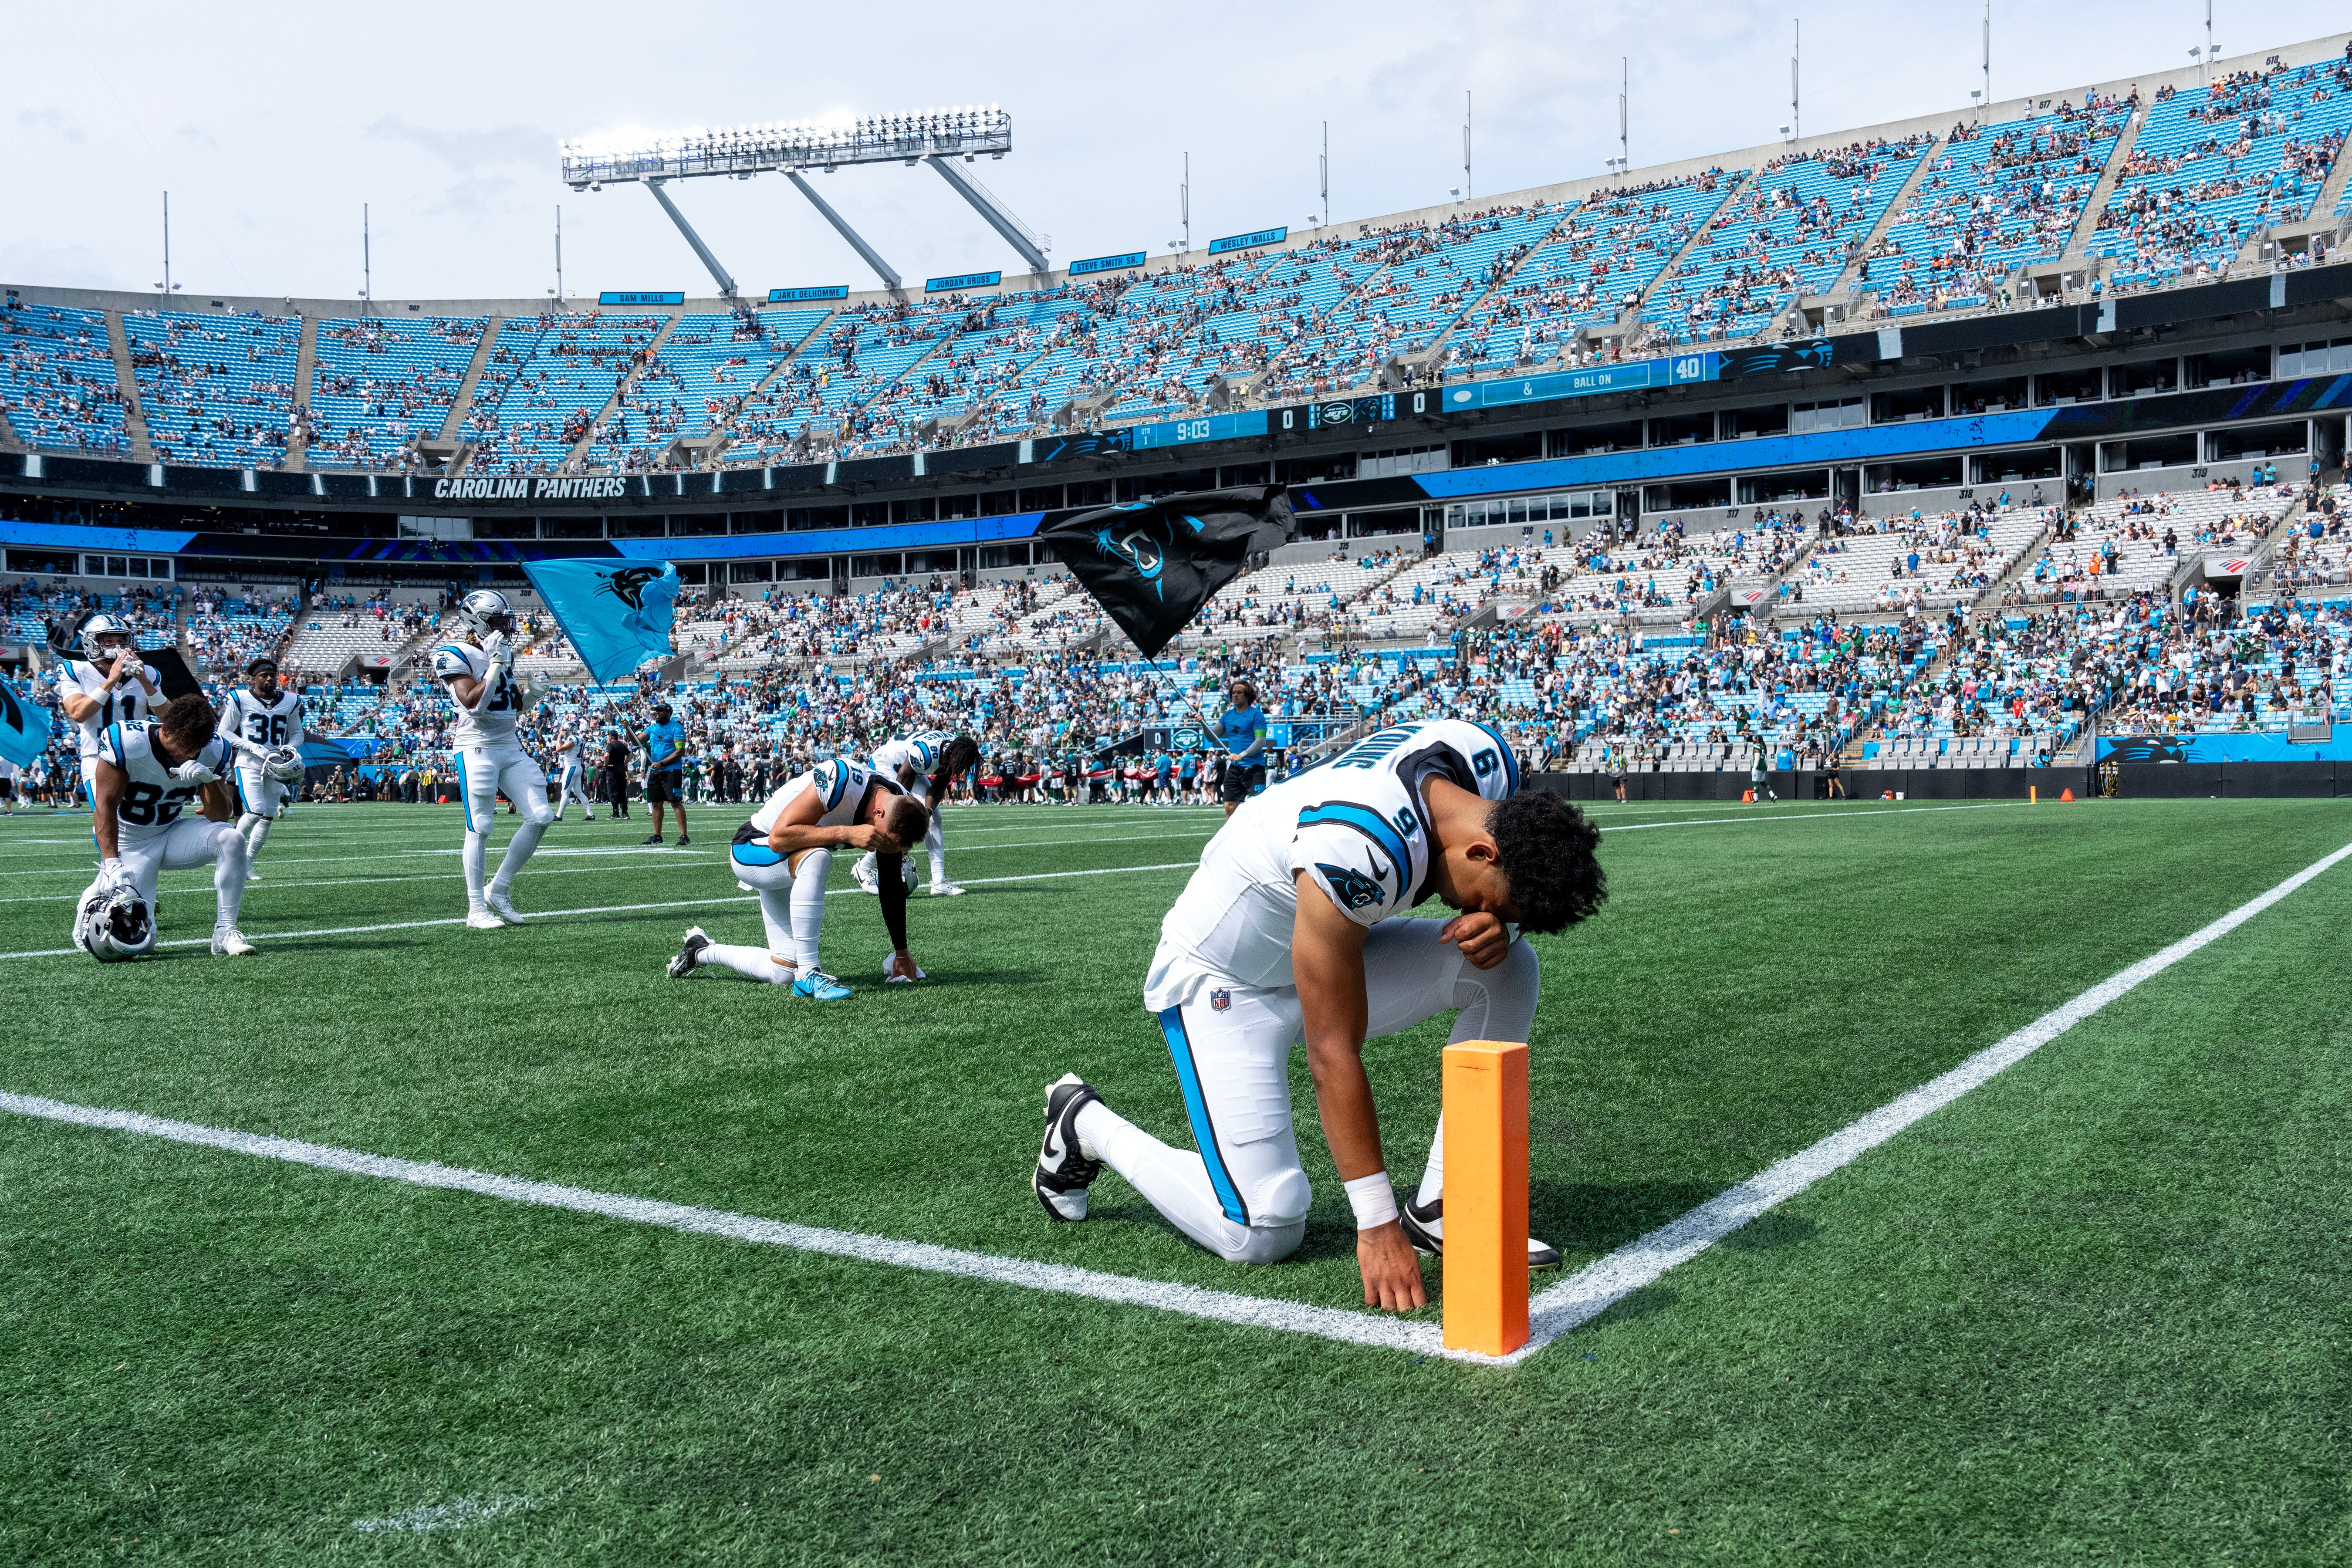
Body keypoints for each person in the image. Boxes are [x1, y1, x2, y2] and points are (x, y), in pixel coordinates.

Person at [1031, 719, 1606, 1310]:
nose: (1474, 912)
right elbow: (1333, 1052)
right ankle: (1085, 1124)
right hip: (1228, 983)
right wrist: (1376, 1223)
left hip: (1324, 945)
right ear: (1483, 850)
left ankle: (1444, 1205)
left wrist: (1507, 925)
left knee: (1510, 964)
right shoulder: (1359, 847)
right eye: (1483, 900)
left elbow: (1497, 887)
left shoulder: (1486, 761)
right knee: (1262, 1229)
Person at [665, 756, 929, 1000]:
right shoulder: (839, 778)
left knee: (782, 971)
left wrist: (902, 954)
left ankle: (700, 951)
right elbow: (779, 838)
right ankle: (809, 974)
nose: (879, 847)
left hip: (790, 862)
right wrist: (845, 833)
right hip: (755, 848)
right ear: (879, 813)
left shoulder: (899, 803)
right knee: (818, 855)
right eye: (883, 840)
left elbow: (891, 886)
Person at [74, 693, 254, 959]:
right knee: (141, 946)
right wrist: (112, 861)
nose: (191, 753)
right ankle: (98, 889)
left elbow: (219, 816)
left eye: (198, 746)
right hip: (131, 841)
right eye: (186, 744)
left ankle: (225, 932)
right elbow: (105, 806)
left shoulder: (214, 750)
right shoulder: (128, 742)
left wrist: (209, 779)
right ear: (167, 729)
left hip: (170, 831)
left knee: (232, 838)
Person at [432, 589, 552, 930]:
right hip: (476, 745)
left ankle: (497, 889)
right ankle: (475, 909)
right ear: (478, 621)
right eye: (498, 620)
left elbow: (512, 707)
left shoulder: (504, 651)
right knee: (481, 826)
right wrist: (495, 663)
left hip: (509, 743)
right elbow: (474, 705)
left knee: (541, 815)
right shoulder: (452, 653)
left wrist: (534, 696)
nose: (505, 626)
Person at [853, 730, 979, 901]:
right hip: (886, 765)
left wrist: (927, 813)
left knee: (935, 819)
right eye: (962, 764)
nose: (962, 769)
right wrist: (904, 831)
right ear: (953, 755)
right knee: (896, 821)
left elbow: (937, 789)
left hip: (910, 768)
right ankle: (865, 867)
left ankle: (939, 882)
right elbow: (903, 781)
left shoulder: (953, 750)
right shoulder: (927, 753)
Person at [53, 614, 161, 809]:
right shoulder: (75, 669)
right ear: (91, 643)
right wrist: (111, 681)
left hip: (140, 757)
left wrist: (145, 682)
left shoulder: (149, 673)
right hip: (98, 757)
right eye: (109, 641)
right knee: (108, 818)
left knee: (141, 824)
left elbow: (169, 718)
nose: (117, 646)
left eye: (121, 640)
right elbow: (78, 713)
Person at [216, 655, 306, 878]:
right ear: (253, 679)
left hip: (276, 764)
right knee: (255, 811)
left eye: (272, 676)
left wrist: (290, 748)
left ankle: (247, 862)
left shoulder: (290, 701)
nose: (269, 679)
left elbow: (297, 733)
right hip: (249, 762)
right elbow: (224, 731)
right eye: (264, 676)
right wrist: (250, 746)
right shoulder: (241, 698)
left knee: (267, 817)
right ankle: (227, 852)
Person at [1207, 680, 1269, 819]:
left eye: (1239, 693)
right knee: (1229, 805)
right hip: (1235, 768)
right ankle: (1232, 837)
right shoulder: (1227, 716)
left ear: (1248, 696)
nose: (1235, 695)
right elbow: (1211, 737)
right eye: (1233, 693)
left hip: (1254, 768)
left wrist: (1242, 755)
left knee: (1257, 806)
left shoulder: (1256, 715)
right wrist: (1202, 723)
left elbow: (1260, 741)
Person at [637, 702, 690, 846]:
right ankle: (657, 836)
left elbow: (680, 752)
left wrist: (663, 763)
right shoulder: (652, 728)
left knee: (675, 802)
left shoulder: (676, 728)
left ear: (669, 713)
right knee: (656, 803)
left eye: (660, 712)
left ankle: (684, 836)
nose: (656, 714)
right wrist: (627, 729)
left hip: (671, 769)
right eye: (655, 712)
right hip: (656, 770)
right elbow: (636, 740)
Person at [552, 726, 596, 821]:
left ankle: (559, 815)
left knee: (565, 792)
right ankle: (590, 814)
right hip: (577, 767)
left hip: (571, 767)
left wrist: (559, 737)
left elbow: (559, 749)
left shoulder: (573, 739)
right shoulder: (581, 739)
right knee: (578, 792)